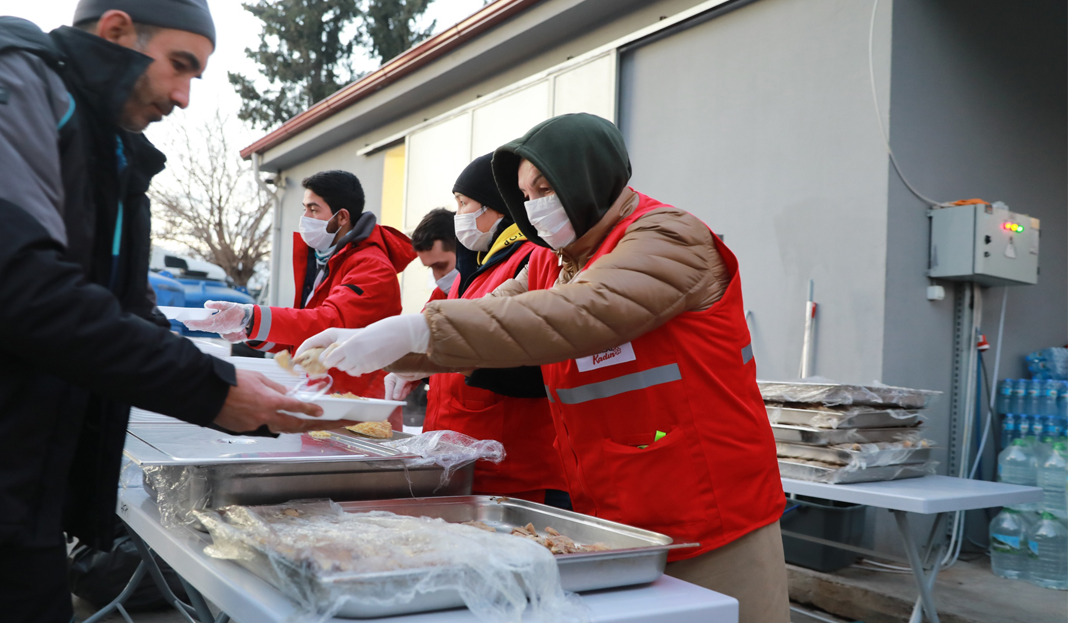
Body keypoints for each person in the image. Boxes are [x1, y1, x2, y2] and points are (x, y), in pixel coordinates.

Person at [0, 0, 340, 621]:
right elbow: (16, 287)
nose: (185, 95)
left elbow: (125, 315)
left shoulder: (107, 151)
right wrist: (214, 389)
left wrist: (246, 393)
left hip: (2, 498)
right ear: (115, 32)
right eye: (181, 64)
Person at [300, 114, 789, 622]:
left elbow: (579, 311)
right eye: (526, 193)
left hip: (714, 513)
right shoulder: (553, 262)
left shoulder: (666, 236)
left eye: (545, 187)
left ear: (588, 177)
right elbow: (495, 314)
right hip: (615, 517)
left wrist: (420, 332)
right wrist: (373, 342)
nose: (535, 205)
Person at [389, 153, 568, 506]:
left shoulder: (531, 259)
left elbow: (527, 355)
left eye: (463, 203)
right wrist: (414, 367)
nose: (459, 215)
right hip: (458, 465)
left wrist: (443, 358)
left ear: (494, 207)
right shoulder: (471, 271)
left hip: (515, 470)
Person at [186, 170, 414, 399]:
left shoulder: (372, 267)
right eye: (304, 208)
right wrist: (252, 331)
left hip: (358, 406)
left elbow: (327, 325)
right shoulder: (327, 259)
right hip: (325, 397)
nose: (305, 217)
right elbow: (305, 337)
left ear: (342, 217)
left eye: (313, 209)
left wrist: (251, 317)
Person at [410, 207, 458, 304]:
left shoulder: (494, 290)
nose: (438, 278)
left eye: (441, 266)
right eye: (430, 268)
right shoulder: (439, 296)